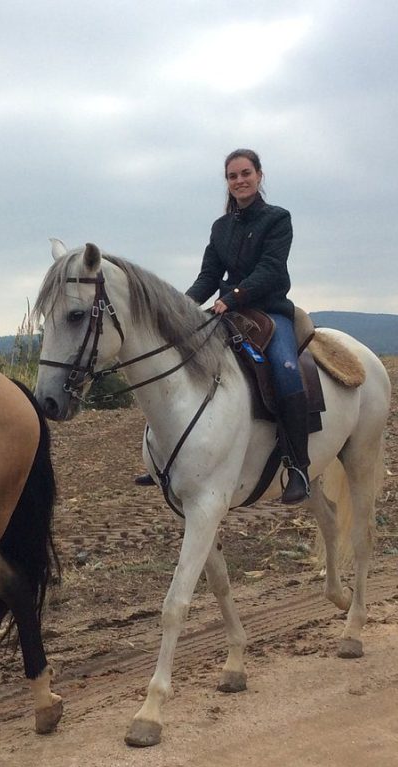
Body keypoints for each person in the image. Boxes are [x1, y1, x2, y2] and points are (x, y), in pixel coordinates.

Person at [134, 149, 310, 503]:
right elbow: (209, 276)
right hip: (227, 312)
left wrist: (234, 297)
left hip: (268, 313)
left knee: (287, 371)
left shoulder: (278, 219)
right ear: (227, 183)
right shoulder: (221, 228)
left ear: (259, 176)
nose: (240, 180)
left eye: (246, 173)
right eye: (232, 176)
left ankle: (299, 467)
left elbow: (271, 269)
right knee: (181, 365)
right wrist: (179, 308)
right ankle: (168, 459)